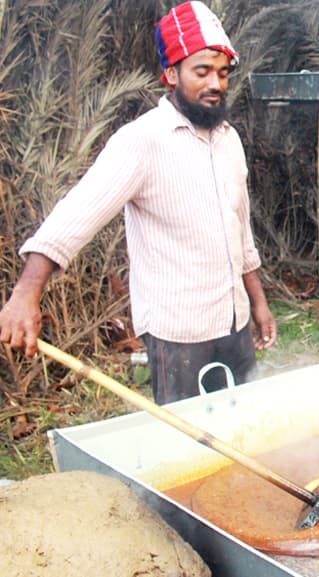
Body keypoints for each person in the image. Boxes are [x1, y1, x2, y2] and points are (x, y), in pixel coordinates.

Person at [0, 1, 277, 404]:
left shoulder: (228, 139)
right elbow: (76, 214)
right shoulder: (141, 142)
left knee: (247, 427)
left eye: (222, 73)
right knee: (187, 446)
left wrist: (258, 303)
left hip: (233, 324)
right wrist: (26, 294)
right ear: (171, 75)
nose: (215, 83)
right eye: (202, 71)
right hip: (179, 335)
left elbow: (241, 230)